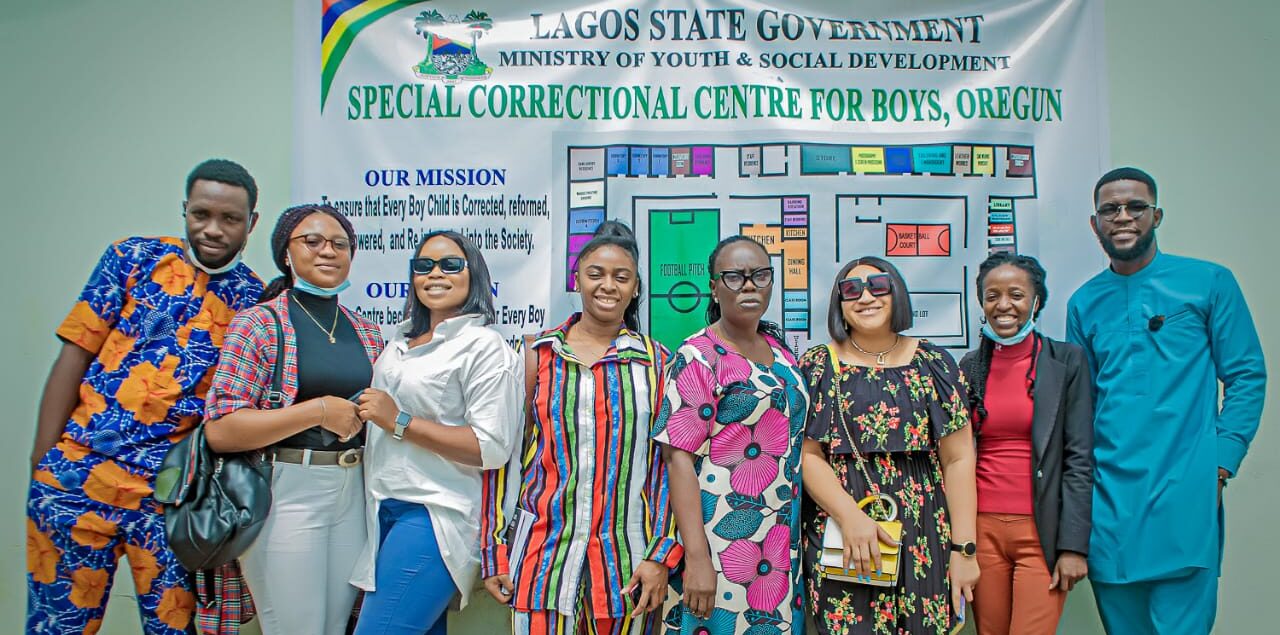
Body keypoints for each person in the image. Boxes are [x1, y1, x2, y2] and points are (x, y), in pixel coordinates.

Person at [27, 159, 263, 634]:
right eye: (201, 214)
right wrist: (42, 466)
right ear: (185, 210)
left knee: (173, 629)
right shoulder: (132, 259)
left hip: (171, 496)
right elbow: (73, 357)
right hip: (77, 479)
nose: (212, 230)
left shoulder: (253, 301)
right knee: (59, 627)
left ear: (251, 223)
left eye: (230, 219)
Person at [1067, 167, 1266, 635]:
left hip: (1185, 490)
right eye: (1109, 209)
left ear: (1156, 215)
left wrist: (1221, 461)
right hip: (1111, 501)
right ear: (1094, 223)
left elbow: (1246, 375)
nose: (1123, 217)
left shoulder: (1209, 282)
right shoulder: (1083, 303)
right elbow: (1082, 405)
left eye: (1135, 206)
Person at [481, 221, 678, 635]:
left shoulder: (658, 364)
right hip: (541, 564)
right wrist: (495, 551)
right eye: (596, 274)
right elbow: (503, 459)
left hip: (627, 569)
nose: (608, 286)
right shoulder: (535, 355)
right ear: (577, 280)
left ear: (636, 287)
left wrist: (660, 554)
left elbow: (667, 471)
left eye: (621, 277)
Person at [203, 204, 383, 635]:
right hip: (287, 490)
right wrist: (318, 410)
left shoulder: (368, 332)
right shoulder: (259, 324)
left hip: (353, 492)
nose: (328, 251)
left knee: (336, 626)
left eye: (340, 244)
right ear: (286, 252)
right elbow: (222, 430)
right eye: (313, 241)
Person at [348, 231, 521, 635]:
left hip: (435, 515)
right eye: (423, 266)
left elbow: (491, 447)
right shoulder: (399, 342)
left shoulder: (484, 346)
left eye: (450, 264)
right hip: (382, 509)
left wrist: (399, 421)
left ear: (473, 274)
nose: (435, 274)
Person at [799, 256, 978, 635]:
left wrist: (964, 550)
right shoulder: (818, 364)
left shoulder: (935, 363)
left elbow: (959, 459)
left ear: (896, 293)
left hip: (924, 536)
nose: (866, 297)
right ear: (839, 304)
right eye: (851, 289)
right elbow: (809, 454)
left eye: (878, 286)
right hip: (846, 536)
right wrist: (850, 517)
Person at [652, 235, 810, 635]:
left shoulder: (781, 352)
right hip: (723, 545)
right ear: (714, 287)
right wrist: (698, 557)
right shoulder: (698, 355)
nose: (750, 285)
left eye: (760, 275)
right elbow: (678, 459)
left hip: (780, 547)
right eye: (736, 277)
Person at [959, 253, 1093, 635]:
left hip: (1041, 532)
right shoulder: (969, 368)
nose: (1003, 305)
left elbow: (1079, 458)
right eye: (992, 295)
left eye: (1016, 294)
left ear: (1037, 301)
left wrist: (1073, 546)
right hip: (981, 530)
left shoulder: (1067, 362)